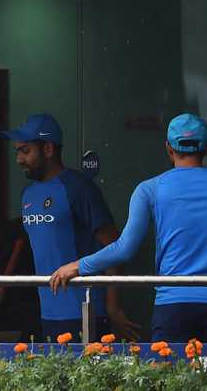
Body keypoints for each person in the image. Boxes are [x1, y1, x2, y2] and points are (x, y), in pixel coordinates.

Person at [50, 113, 207, 342]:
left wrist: (78, 266)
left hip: (173, 305)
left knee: (168, 376)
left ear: (169, 148)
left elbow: (124, 248)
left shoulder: (150, 189)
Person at [1, 113, 140, 342]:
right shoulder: (28, 193)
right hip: (47, 313)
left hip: (86, 312)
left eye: (25, 151)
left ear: (48, 149)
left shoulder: (78, 188)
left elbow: (116, 247)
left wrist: (113, 306)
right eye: (18, 151)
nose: (19, 159)